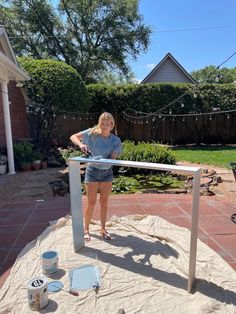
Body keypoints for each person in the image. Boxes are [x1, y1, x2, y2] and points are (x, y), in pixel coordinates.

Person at [70, 112, 122, 241]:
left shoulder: (115, 140)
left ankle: (103, 229)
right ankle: (86, 229)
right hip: (92, 171)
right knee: (91, 203)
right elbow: (73, 137)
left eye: (107, 124)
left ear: (112, 125)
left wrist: (109, 160)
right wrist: (81, 144)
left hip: (107, 173)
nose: (105, 126)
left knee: (104, 202)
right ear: (100, 124)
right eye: (102, 123)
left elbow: (113, 160)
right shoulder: (92, 133)